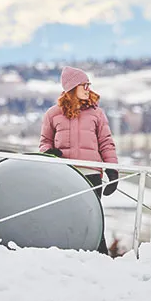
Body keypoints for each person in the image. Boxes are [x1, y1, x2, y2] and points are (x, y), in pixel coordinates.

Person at [39, 66, 119, 255]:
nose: (88, 88)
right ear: (72, 87)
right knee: (65, 217)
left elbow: (106, 143)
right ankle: (65, 255)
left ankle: (101, 257)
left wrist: (112, 171)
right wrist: (49, 152)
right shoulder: (52, 114)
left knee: (92, 219)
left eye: (89, 85)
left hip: (91, 176)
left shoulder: (96, 114)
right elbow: (44, 143)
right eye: (84, 84)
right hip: (64, 175)